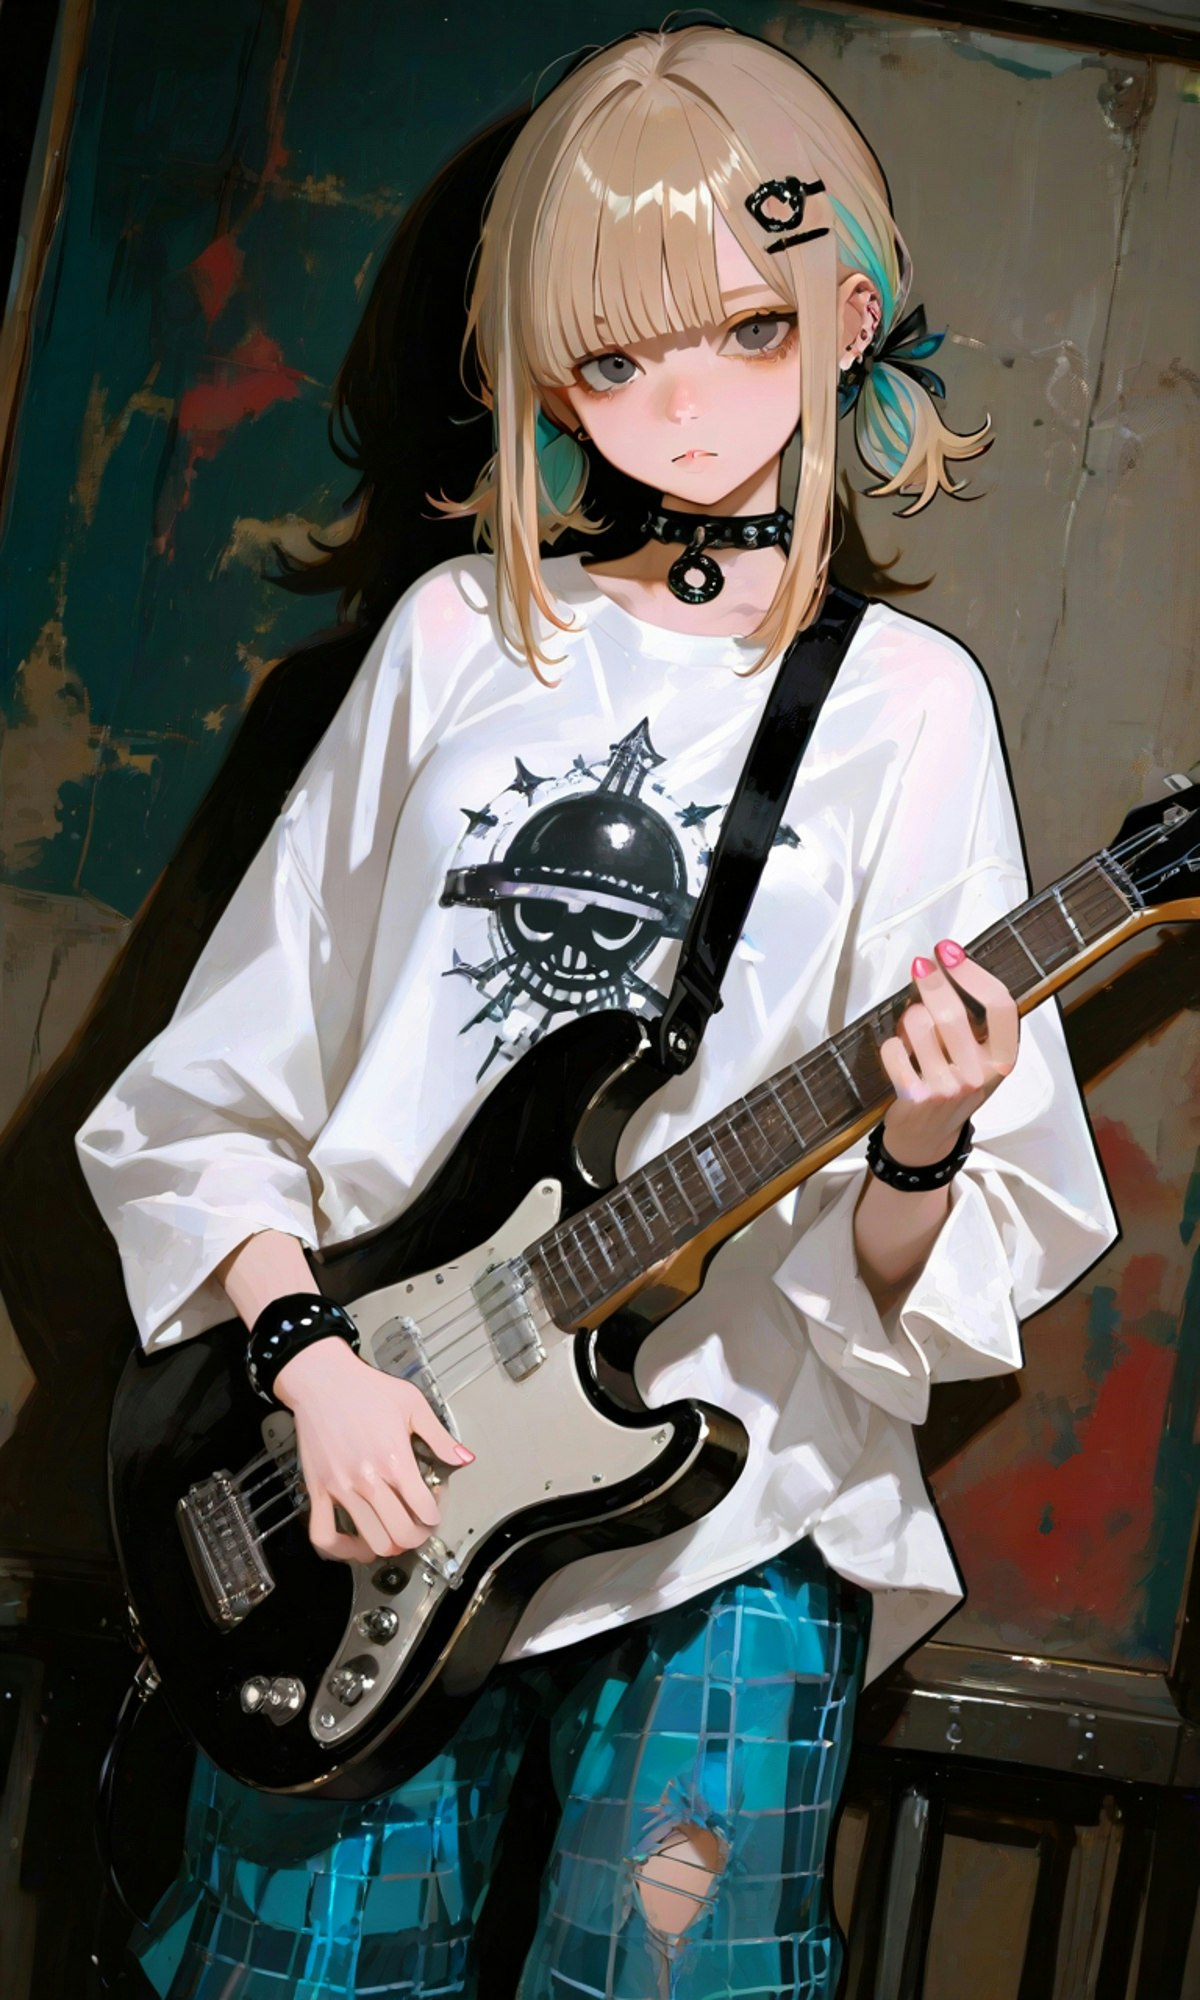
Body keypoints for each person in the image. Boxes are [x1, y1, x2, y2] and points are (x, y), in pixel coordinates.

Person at [76, 25, 1118, 2000]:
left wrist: (918, 1146)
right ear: (540, 374)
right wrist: (306, 1361)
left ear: (846, 319)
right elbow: (218, 1088)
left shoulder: (907, 711)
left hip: (729, 1503)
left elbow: (945, 1254)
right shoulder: (455, 635)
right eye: (616, 355)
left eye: (747, 328)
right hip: (363, 1472)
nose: (689, 403)